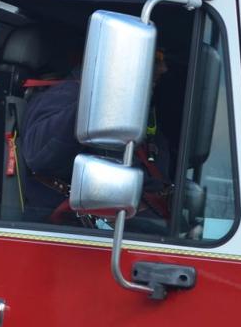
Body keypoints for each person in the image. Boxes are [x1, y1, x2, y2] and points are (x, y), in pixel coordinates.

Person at [19, 48, 173, 225]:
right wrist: (98, 98)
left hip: (146, 227)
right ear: (118, 59)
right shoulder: (67, 95)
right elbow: (38, 156)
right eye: (156, 57)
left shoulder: (137, 109)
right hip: (76, 234)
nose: (163, 68)